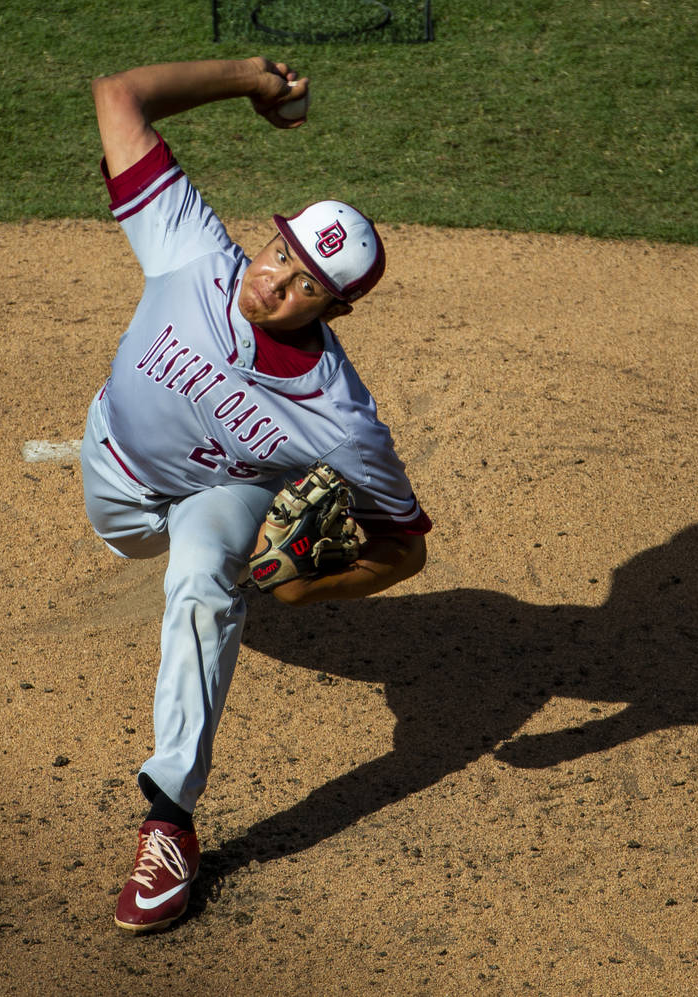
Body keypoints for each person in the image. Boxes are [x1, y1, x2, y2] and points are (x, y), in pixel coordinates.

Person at [80, 57, 431, 933]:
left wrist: (307, 587)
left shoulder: (341, 419)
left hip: (218, 491)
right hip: (112, 472)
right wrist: (248, 78)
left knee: (204, 578)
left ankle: (169, 822)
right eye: (281, 252)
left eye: (304, 282)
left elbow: (405, 545)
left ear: (333, 307)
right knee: (138, 539)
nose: (273, 280)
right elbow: (117, 96)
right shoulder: (194, 247)